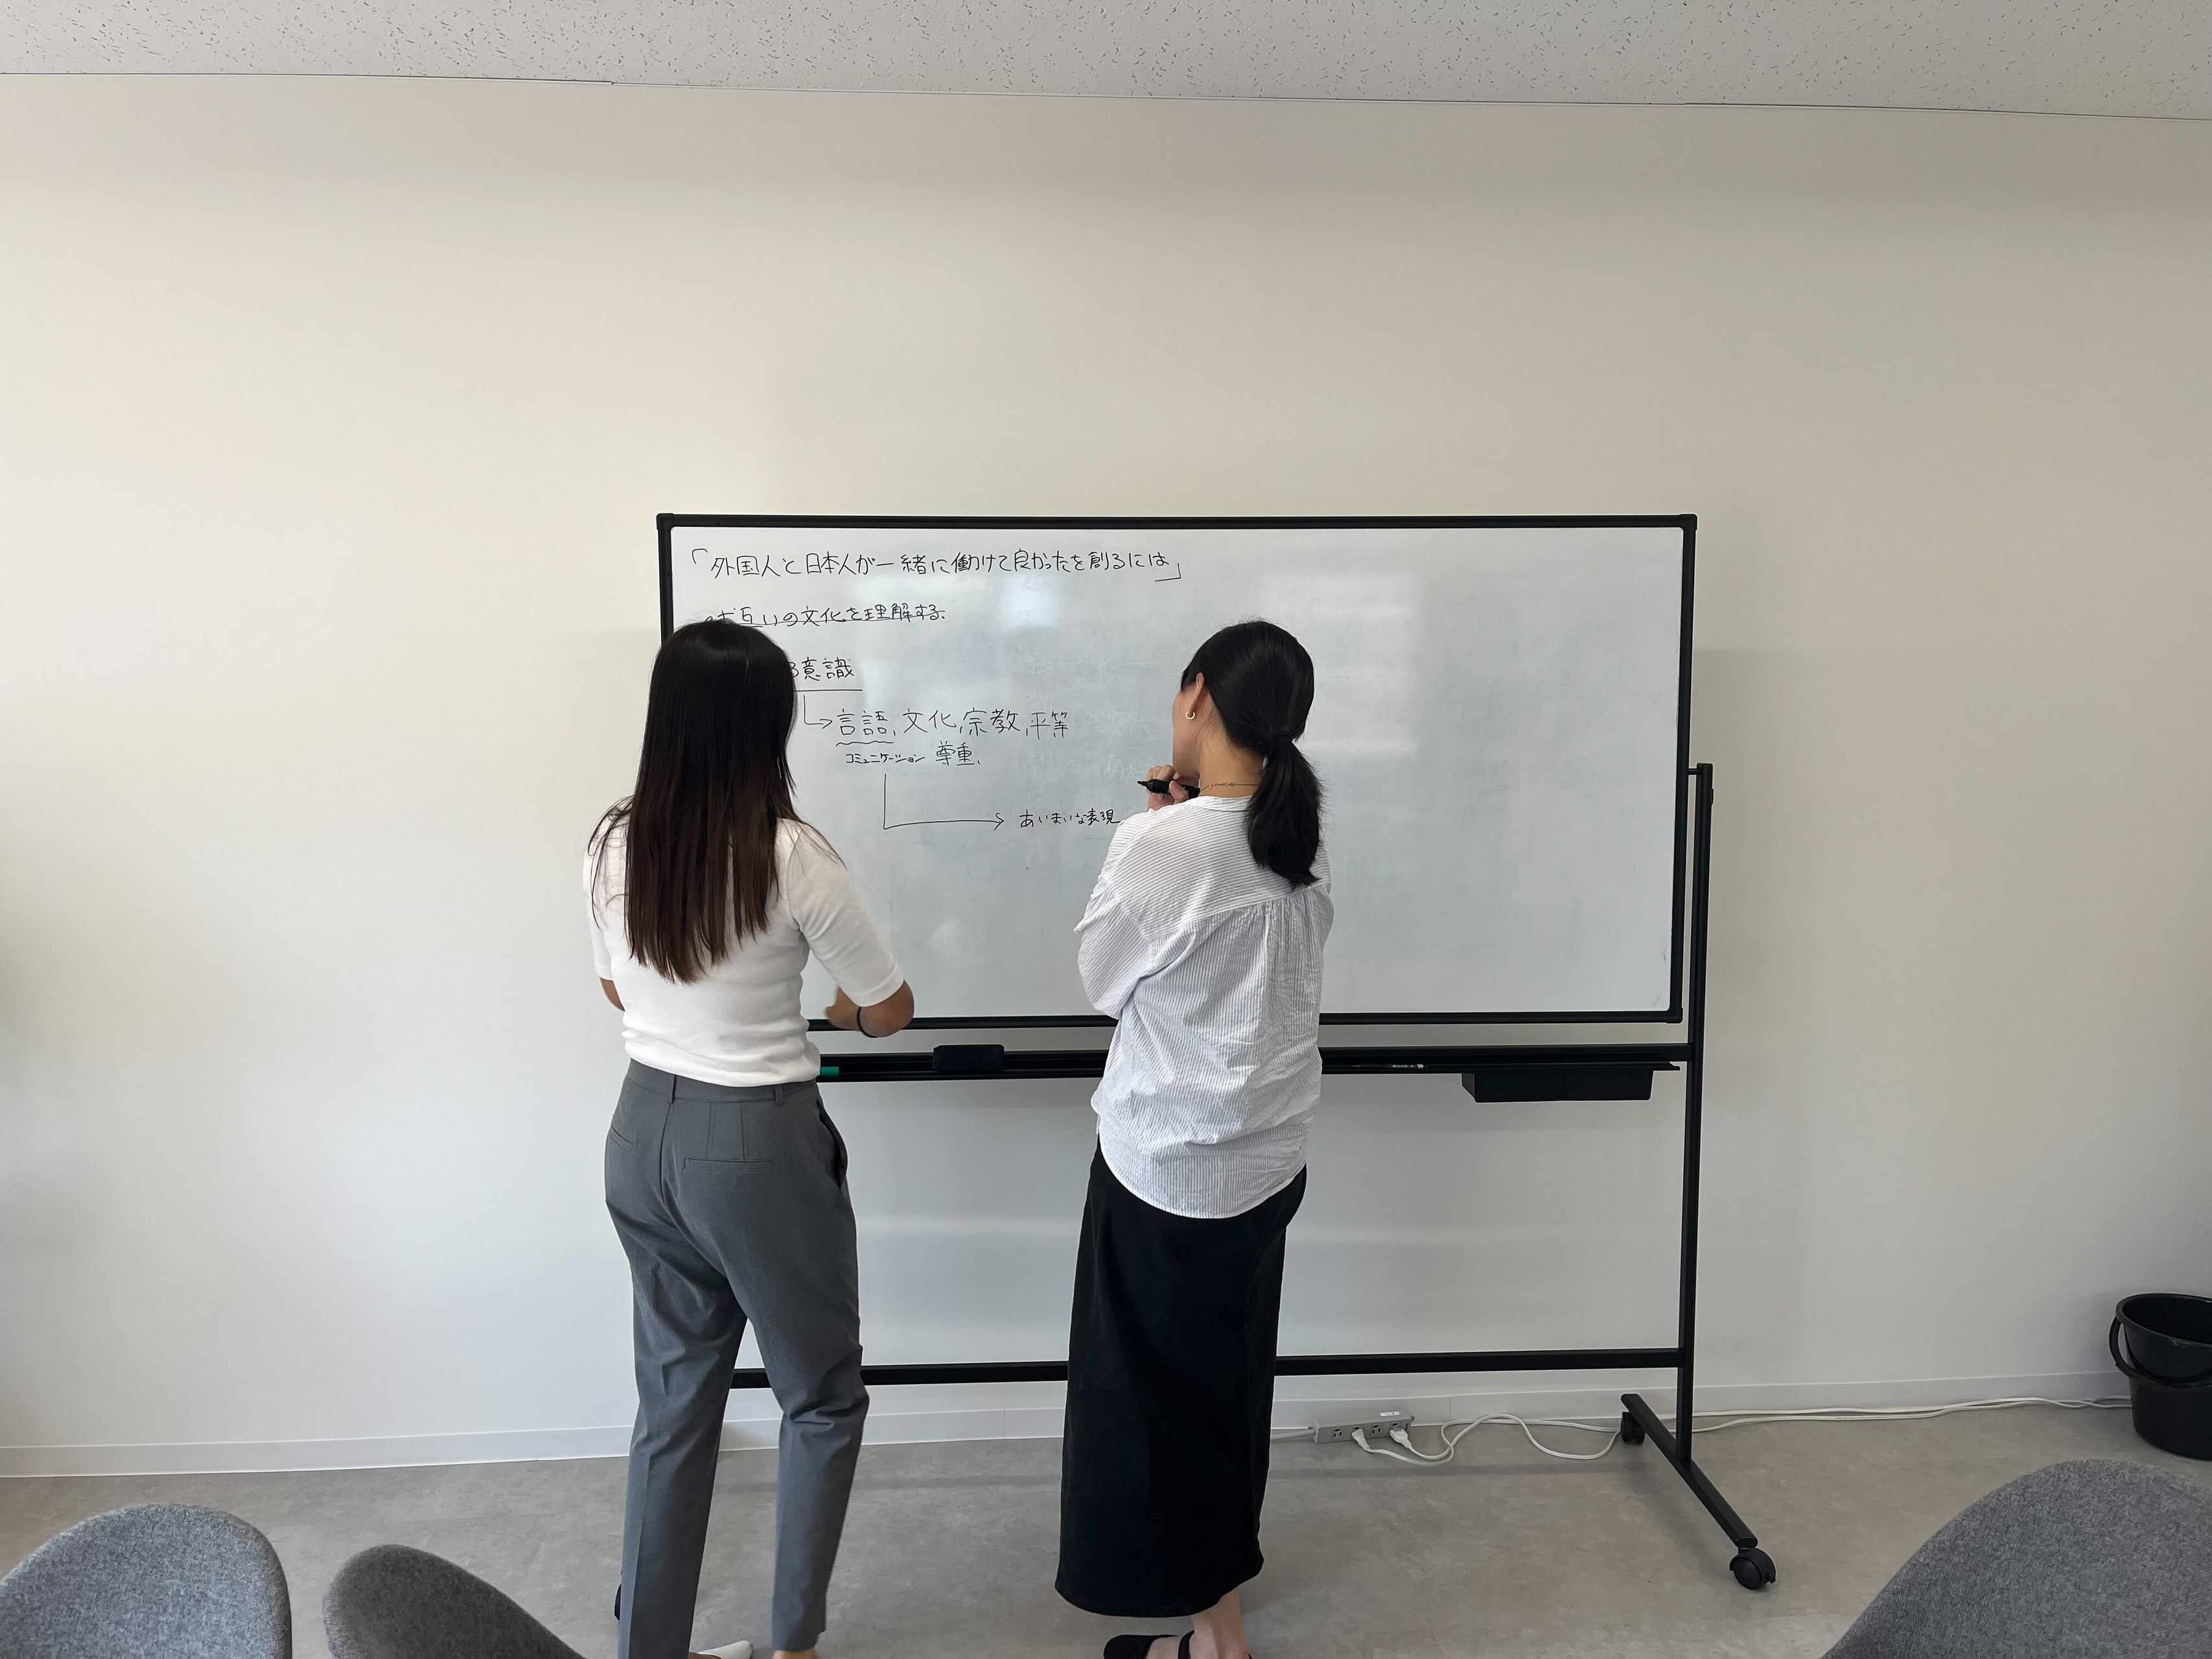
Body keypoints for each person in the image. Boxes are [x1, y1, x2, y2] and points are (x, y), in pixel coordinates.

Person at [588, 619, 914, 1659]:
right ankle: (793, 1646)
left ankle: (650, 1648)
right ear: (768, 724)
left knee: (674, 1406)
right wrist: (840, 1015)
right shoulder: (791, 853)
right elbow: (889, 1007)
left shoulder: (613, 840)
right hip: (754, 1147)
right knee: (819, 1399)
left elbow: (616, 986)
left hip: (641, 1131)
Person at [1056, 619, 1334, 1659]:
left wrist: (1157, 835)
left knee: (1151, 1414)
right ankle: (1218, 1630)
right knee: (1223, 1395)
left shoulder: (1162, 848)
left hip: (1167, 1173)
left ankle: (1216, 1639)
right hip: (1267, 1166)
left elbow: (1101, 984)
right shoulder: (1295, 840)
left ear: (1200, 696)